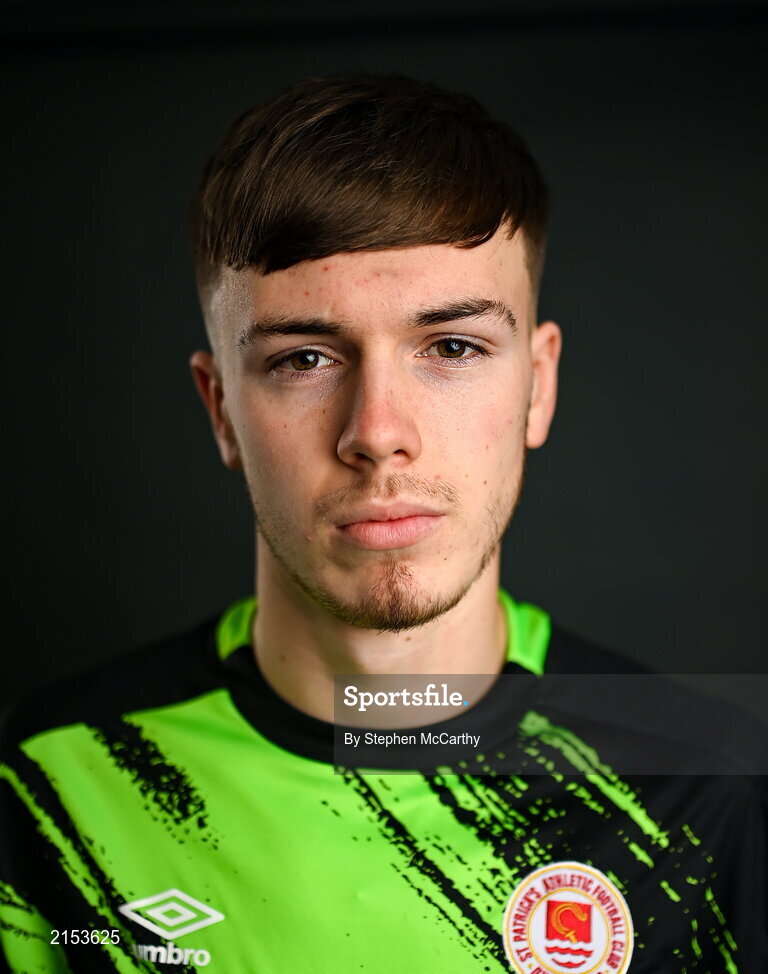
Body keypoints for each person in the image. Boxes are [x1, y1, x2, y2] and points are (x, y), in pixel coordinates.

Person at [0, 74, 765, 974]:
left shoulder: (709, 787)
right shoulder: (55, 779)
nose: (376, 435)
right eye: (306, 359)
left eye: (452, 347)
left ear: (539, 384)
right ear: (219, 411)